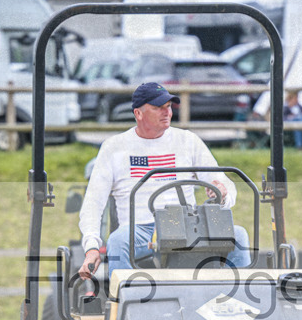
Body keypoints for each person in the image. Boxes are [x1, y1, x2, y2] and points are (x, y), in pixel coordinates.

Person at [77, 82, 251, 281]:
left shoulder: (187, 141)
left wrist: (222, 192)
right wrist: (91, 246)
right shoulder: (114, 147)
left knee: (239, 236)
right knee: (118, 241)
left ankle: (238, 301)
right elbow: (93, 202)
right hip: (140, 228)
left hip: (186, 223)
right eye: (158, 107)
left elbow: (223, 182)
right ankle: (125, 303)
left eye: (168, 106)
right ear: (138, 113)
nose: (166, 112)